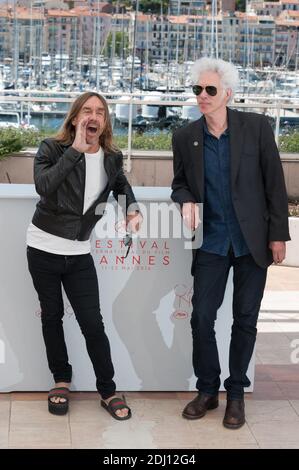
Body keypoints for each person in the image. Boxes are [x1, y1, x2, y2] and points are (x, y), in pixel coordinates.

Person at [171, 57, 290, 429]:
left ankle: (235, 394)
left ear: (228, 94)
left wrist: (278, 235)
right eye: (198, 90)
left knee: (245, 320)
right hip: (211, 243)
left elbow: (275, 184)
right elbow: (179, 182)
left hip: (252, 242)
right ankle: (208, 390)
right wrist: (186, 198)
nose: (202, 96)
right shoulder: (184, 136)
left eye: (210, 90)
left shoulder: (256, 128)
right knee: (201, 317)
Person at [26, 91, 141, 420]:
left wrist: (131, 209)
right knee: (52, 317)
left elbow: (120, 184)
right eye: (87, 111)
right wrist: (76, 149)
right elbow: (44, 186)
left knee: (93, 323)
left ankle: (108, 390)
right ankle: (61, 380)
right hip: (43, 248)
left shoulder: (111, 156)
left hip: (79, 254)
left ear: (104, 122)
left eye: (100, 112)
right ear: (75, 118)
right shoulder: (52, 148)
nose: (93, 116)